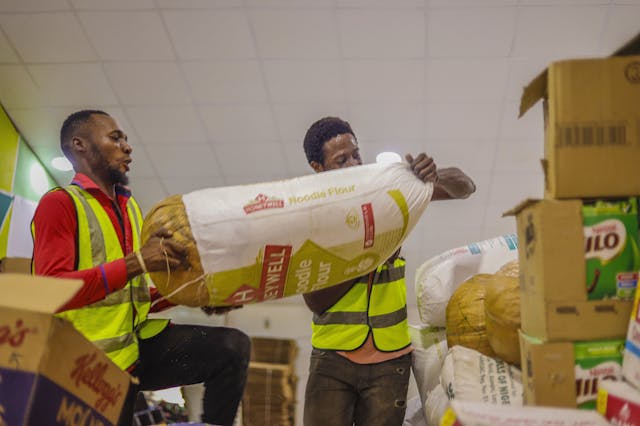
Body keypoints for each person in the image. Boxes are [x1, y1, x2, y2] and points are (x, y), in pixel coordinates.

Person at [31, 109, 250, 426]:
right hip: (83, 370)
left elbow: (133, 297)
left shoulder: (129, 207)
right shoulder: (59, 204)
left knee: (232, 347)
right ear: (79, 145)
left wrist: (194, 294)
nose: (127, 147)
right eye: (115, 138)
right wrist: (137, 261)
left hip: (131, 351)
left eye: (126, 139)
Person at [301, 116, 476, 426]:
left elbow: (465, 186)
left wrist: (432, 176)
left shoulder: (390, 192)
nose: (354, 164)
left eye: (355, 154)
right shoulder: (311, 218)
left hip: (390, 361)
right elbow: (316, 301)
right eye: (341, 160)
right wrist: (370, 254)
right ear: (318, 167)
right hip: (331, 359)